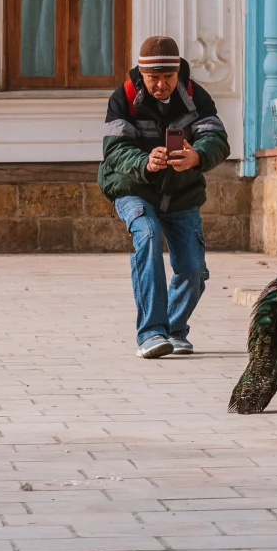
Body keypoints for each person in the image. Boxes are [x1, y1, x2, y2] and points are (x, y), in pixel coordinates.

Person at [100, 36, 231, 358]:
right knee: (147, 237)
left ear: (178, 73)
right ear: (142, 75)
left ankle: (173, 330)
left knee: (193, 269)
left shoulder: (195, 96)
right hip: (133, 187)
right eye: (153, 78)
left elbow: (216, 138)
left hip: (182, 192)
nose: (160, 85)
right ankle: (150, 333)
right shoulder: (123, 97)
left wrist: (197, 156)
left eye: (167, 77)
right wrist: (145, 162)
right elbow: (114, 150)